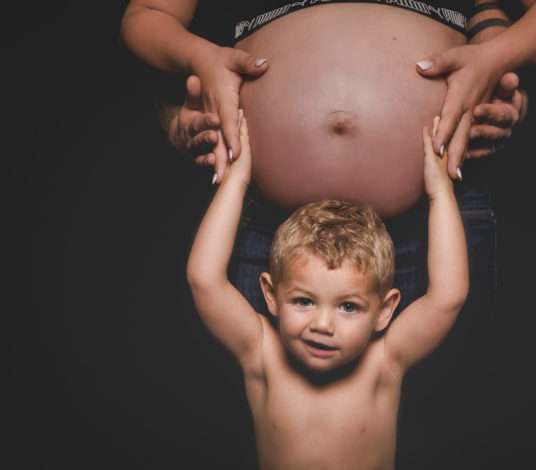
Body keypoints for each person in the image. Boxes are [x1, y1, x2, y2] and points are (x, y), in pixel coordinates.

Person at [120, 1, 536, 312]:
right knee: (268, 422)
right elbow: (145, 15)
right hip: (265, 216)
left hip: (437, 209)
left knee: (445, 418)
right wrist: (198, 55)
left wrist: (496, 58)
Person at [186, 111, 468, 469]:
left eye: (348, 307)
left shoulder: (385, 362)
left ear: (385, 309)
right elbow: (204, 280)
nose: (322, 324)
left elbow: (449, 297)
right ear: (271, 295)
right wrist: (237, 181)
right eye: (303, 301)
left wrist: (440, 192)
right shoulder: (261, 354)